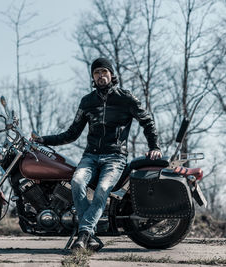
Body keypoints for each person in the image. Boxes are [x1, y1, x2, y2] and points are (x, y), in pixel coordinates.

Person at [33, 57, 162, 251]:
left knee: (102, 189)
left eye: (104, 72)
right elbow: (72, 134)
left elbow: (147, 121)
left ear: (111, 74)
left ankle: (83, 234)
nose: (100, 76)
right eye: (96, 73)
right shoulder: (87, 102)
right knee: (76, 182)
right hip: (90, 157)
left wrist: (155, 146)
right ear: (93, 77)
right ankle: (89, 236)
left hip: (115, 157)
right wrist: (44, 140)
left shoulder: (126, 98)